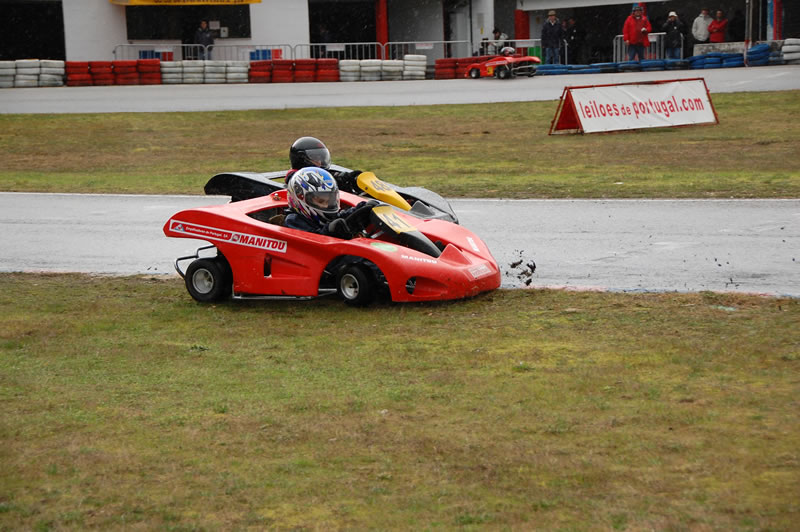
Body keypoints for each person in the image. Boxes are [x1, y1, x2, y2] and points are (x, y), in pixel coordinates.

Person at [284, 166, 377, 238]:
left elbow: (341, 216)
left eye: (330, 201)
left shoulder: (327, 216)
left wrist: (362, 208)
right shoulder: (293, 221)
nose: (326, 205)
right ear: (300, 198)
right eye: (321, 201)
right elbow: (314, 241)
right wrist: (333, 230)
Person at [286, 137, 362, 194]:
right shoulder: (295, 178)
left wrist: (352, 178)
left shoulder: (321, 173)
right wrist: (339, 179)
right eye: (315, 158)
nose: (319, 162)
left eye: (321, 158)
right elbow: (316, 183)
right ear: (301, 160)